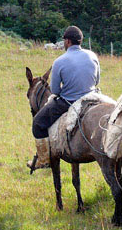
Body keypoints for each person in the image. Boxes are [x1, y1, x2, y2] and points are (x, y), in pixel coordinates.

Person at [30, 26, 100, 170]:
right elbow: (97, 80)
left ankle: (43, 159)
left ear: (67, 41)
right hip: (92, 97)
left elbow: (55, 90)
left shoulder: (59, 61)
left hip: (69, 102)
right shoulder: (93, 55)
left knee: (37, 123)